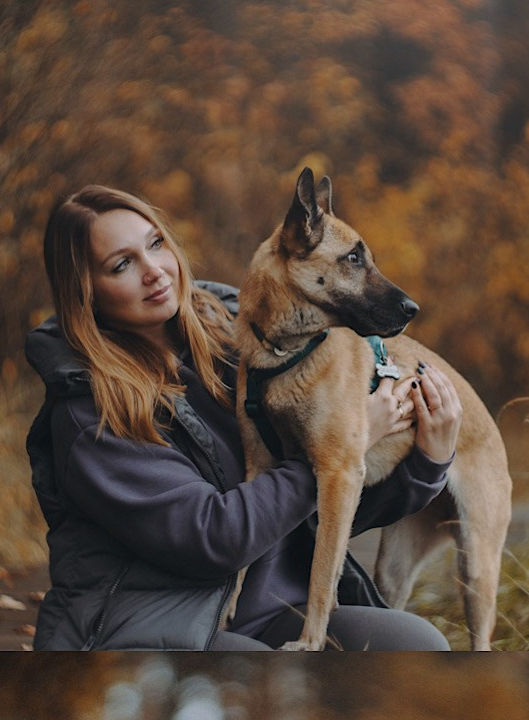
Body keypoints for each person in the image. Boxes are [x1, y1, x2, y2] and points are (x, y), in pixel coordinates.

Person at [25, 186, 463, 650]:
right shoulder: (89, 411)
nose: (154, 272)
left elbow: (322, 508)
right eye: (122, 264)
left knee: (416, 643)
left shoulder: (244, 343)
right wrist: (346, 446)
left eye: (156, 245)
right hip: (155, 621)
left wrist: (425, 463)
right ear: (85, 292)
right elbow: (213, 538)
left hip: (270, 608)